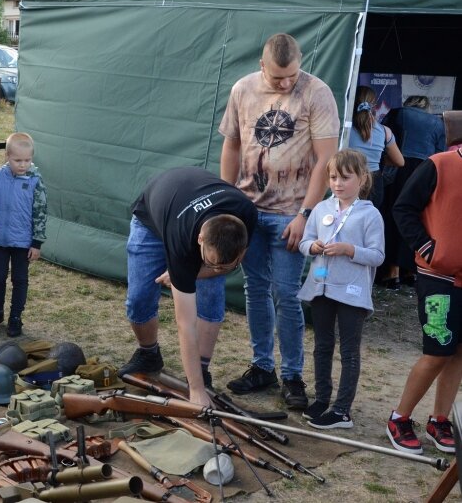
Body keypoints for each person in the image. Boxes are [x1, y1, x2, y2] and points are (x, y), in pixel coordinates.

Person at [219, 33, 340, 410]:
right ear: (261, 65)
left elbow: (326, 160)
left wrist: (306, 214)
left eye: (291, 76)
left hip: (292, 213)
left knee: (286, 294)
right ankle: (261, 366)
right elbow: (233, 144)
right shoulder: (242, 90)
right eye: (277, 78)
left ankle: (291, 374)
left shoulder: (317, 93)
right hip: (250, 209)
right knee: (255, 290)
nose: (286, 84)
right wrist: (227, 201)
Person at [116, 167, 257, 407]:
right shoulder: (182, 240)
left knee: (211, 298)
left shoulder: (247, 214)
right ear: (201, 240)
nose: (219, 269)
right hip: (152, 217)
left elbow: (219, 265)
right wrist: (196, 391)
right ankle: (148, 353)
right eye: (212, 263)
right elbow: (185, 324)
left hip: (188, 201)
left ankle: (202, 369)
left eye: (229, 266)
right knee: (139, 297)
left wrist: (205, 270)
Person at [297, 149, 385, 429]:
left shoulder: (370, 215)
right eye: (333, 177)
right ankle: (322, 399)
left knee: (349, 351)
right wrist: (311, 247)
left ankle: (342, 410)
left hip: (351, 292)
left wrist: (349, 250)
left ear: (362, 179)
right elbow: (305, 241)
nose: (337, 183)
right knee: (322, 346)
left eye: (345, 178)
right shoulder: (322, 208)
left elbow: (377, 255)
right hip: (321, 287)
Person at [385, 146, 462, 455]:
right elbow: (403, 207)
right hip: (437, 277)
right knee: (437, 350)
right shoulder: (439, 164)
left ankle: (439, 420)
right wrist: (428, 248)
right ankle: (399, 418)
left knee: (459, 352)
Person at [0, 132, 47, 337]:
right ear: (6, 157)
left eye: (27, 160)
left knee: (20, 279)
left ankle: (16, 316)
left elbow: (41, 212)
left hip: (23, 242)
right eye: (17, 160)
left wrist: (36, 243)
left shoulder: (36, 181)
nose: (23, 165)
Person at [379, 96, 446, 289]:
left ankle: (391, 272)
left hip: (398, 168)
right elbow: (440, 152)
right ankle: (410, 270)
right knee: (416, 219)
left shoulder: (398, 113)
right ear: (426, 106)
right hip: (425, 171)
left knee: (392, 216)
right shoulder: (437, 122)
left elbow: (384, 139)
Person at [347, 86, 404, 209]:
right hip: (374, 184)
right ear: (374, 105)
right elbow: (400, 161)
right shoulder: (385, 131)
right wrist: (378, 159)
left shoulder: (342, 129)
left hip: (347, 179)